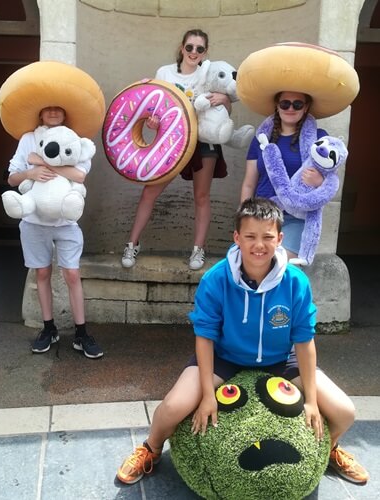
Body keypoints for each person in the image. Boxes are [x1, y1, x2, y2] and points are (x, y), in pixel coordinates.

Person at [116, 197, 369, 485]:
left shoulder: (296, 282)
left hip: (281, 359)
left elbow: (304, 342)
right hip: (225, 357)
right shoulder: (216, 279)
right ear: (237, 237)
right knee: (173, 407)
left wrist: (311, 400)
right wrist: (207, 396)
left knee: (345, 412)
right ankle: (151, 448)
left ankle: (328, 449)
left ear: (280, 238)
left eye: (267, 237)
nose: (258, 245)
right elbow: (205, 336)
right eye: (250, 236)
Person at [122, 28, 231, 271]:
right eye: (190, 47)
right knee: (150, 192)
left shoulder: (211, 72)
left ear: (206, 52)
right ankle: (132, 243)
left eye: (199, 49)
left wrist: (223, 100)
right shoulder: (165, 73)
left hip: (203, 140)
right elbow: (155, 109)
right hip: (170, 141)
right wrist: (153, 123)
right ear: (182, 48)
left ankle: (198, 250)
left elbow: (223, 115)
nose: (194, 52)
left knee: (201, 196)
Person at [7, 106, 103, 359]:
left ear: (66, 112)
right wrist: (30, 172)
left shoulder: (75, 139)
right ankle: (49, 329)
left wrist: (42, 161)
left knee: (72, 273)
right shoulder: (28, 139)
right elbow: (12, 178)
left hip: (66, 222)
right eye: (46, 108)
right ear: (39, 113)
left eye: (58, 108)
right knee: (42, 273)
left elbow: (79, 175)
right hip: (33, 220)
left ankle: (81, 332)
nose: (52, 112)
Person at [240, 91, 325, 261]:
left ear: (306, 107)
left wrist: (318, 181)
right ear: (277, 106)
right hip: (261, 214)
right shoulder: (261, 139)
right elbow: (249, 184)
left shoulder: (319, 138)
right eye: (285, 103)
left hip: (297, 216)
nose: (290, 108)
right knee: (250, 266)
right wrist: (242, 218)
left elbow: (330, 182)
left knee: (279, 265)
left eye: (297, 104)